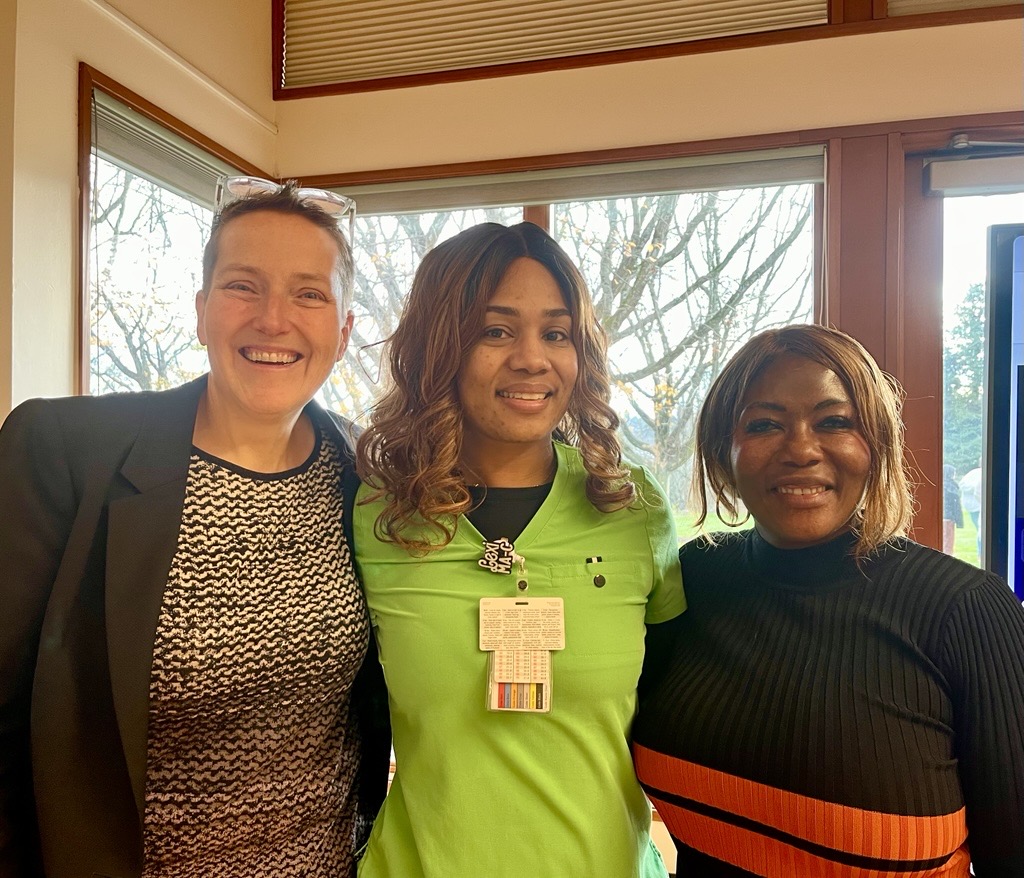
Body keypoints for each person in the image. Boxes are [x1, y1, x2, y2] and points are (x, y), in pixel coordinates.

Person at [0, 178, 389, 878]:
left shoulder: (365, 476)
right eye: (244, 286)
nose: (274, 319)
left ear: (344, 329)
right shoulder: (64, 451)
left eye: (309, 293)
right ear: (202, 308)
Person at [352, 222, 685, 878]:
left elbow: (681, 709)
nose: (533, 358)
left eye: (556, 333)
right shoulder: (375, 512)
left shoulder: (631, 505)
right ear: (439, 347)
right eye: (496, 331)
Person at [633, 324, 1024, 877]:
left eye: (834, 422)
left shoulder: (967, 610)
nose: (800, 449)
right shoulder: (692, 578)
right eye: (765, 424)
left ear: (878, 444)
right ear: (726, 451)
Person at [960, 461, 984, 563]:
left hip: (979, 507)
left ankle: (981, 554)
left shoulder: (981, 474)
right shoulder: (975, 474)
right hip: (975, 507)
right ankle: (980, 554)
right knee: (981, 532)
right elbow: (962, 485)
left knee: (981, 531)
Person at [943, 463, 964, 554]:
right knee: (948, 542)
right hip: (948, 517)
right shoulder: (952, 487)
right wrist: (959, 521)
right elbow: (956, 506)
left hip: (941, 517)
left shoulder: (939, 485)